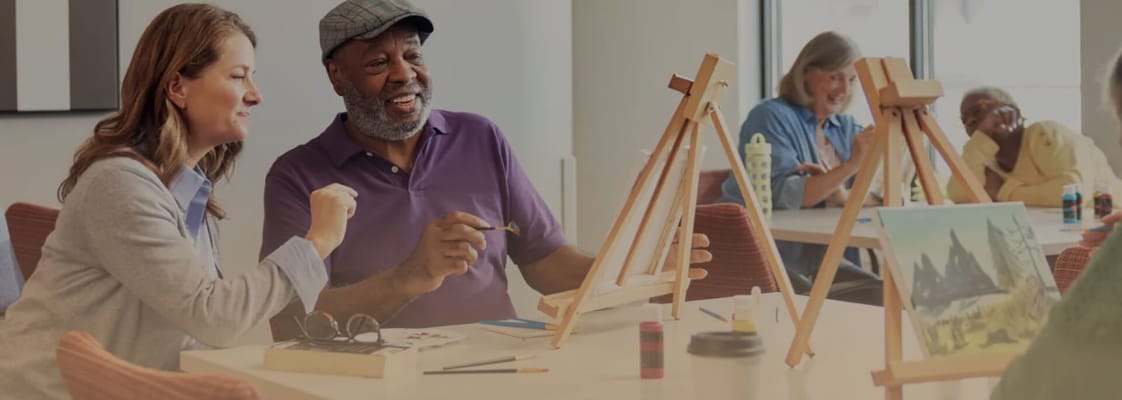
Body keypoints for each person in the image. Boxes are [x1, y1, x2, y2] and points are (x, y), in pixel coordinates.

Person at [260, 0, 710, 337]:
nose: (404, 74)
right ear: (337, 76)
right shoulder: (297, 176)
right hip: (381, 382)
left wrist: (633, 267)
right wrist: (411, 276)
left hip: (502, 363)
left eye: (413, 56)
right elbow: (288, 322)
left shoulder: (479, 136)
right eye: (379, 62)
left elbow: (545, 261)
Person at [0, 4, 356, 399]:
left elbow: (195, 328)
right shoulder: (118, 184)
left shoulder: (188, 195)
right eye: (238, 76)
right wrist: (316, 243)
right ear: (177, 88)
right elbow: (213, 318)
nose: (255, 95)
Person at [989, 47, 1122, 400]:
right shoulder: (989, 155)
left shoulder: (1045, 136)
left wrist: (1006, 189)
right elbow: (960, 188)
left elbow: (1025, 389)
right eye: (968, 120)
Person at [717, 31, 881, 301]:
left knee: (888, 294)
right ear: (806, 73)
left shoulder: (845, 126)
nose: (844, 89)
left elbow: (878, 192)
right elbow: (786, 196)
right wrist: (851, 166)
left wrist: (841, 194)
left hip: (817, 260)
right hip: (768, 257)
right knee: (875, 298)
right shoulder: (771, 117)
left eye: (851, 80)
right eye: (835, 77)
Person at [947, 86, 1122, 206]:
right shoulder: (983, 156)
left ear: (1011, 111)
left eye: (979, 110)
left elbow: (1074, 193)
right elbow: (959, 195)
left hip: (1108, 229)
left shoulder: (1044, 133)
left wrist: (1003, 192)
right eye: (965, 120)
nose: (971, 120)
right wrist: (978, 142)